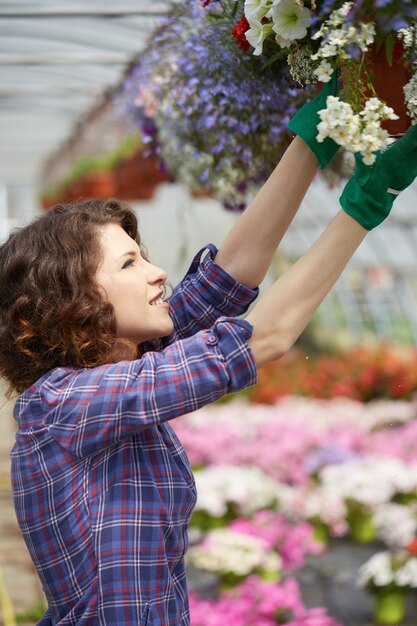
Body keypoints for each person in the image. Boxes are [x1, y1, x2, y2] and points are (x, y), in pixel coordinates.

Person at [1, 76, 417, 625]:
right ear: (72, 302)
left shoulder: (123, 358)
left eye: (142, 255)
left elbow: (229, 276)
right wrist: (366, 202)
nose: (157, 273)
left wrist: (316, 134)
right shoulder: (63, 404)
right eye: (128, 265)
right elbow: (258, 339)